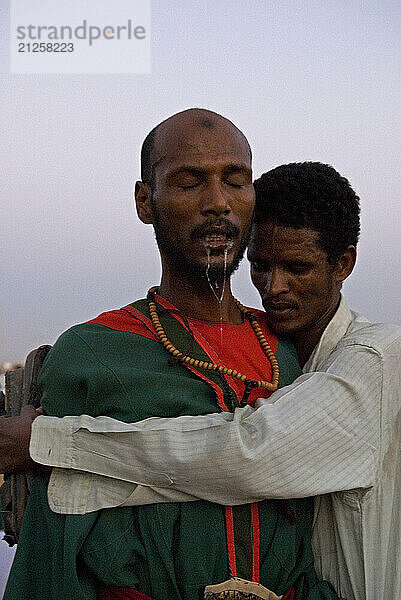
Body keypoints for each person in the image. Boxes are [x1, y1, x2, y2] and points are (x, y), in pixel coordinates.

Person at [21, 162, 400, 600]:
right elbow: (186, 481)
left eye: (297, 268)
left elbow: (248, 457)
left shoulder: (375, 357)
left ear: (344, 264)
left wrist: (49, 444)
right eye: (260, 266)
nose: (274, 287)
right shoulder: (289, 358)